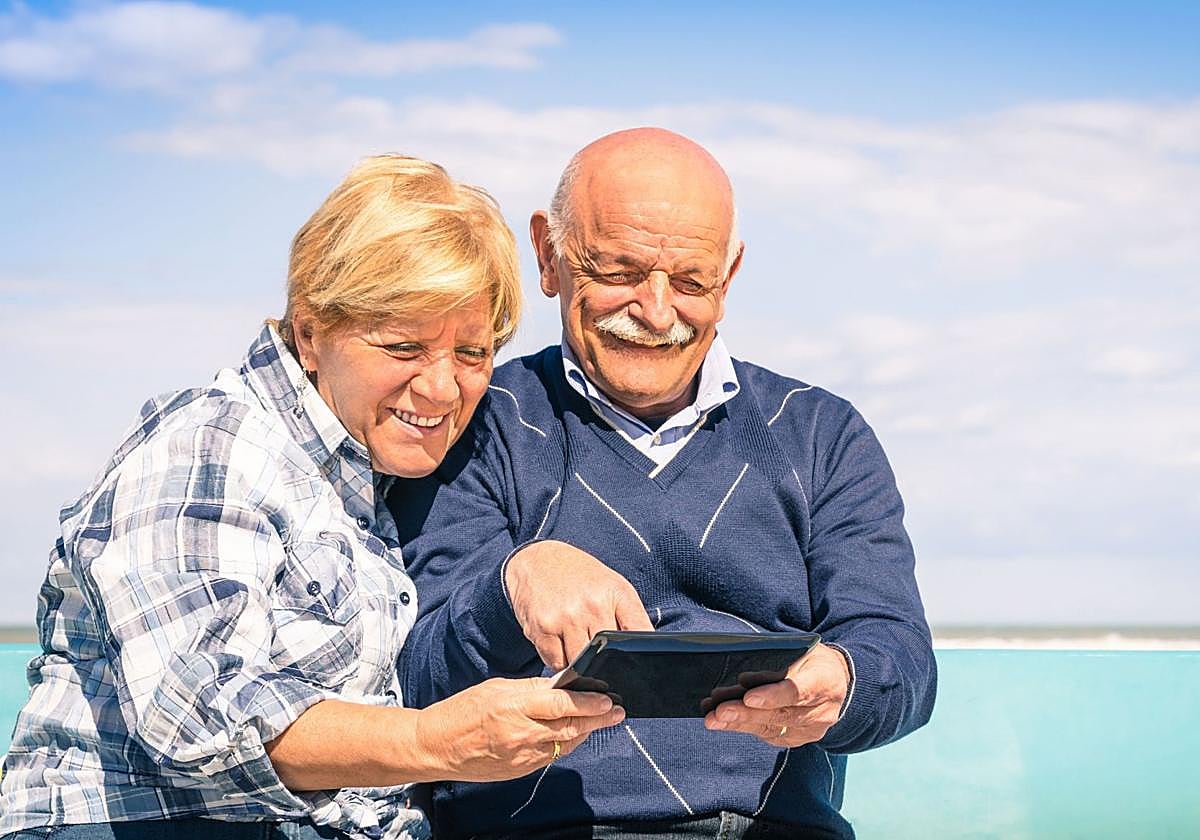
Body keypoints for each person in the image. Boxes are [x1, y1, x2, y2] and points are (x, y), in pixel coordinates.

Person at [0, 156, 625, 840]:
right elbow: (201, 713)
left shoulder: (368, 479)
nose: (443, 388)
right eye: (403, 346)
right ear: (309, 331)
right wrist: (435, 741)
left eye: (473, 354)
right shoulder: (214, 444)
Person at [392, 128, 938, 839]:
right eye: (618, 271)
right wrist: (513, 585)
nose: (654, 313)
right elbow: (413, 686)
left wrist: (843, 680)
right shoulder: (471, 423)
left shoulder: (822, 434)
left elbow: (902, 660)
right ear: (548, 255)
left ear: (730, 274)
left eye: (690, 281)